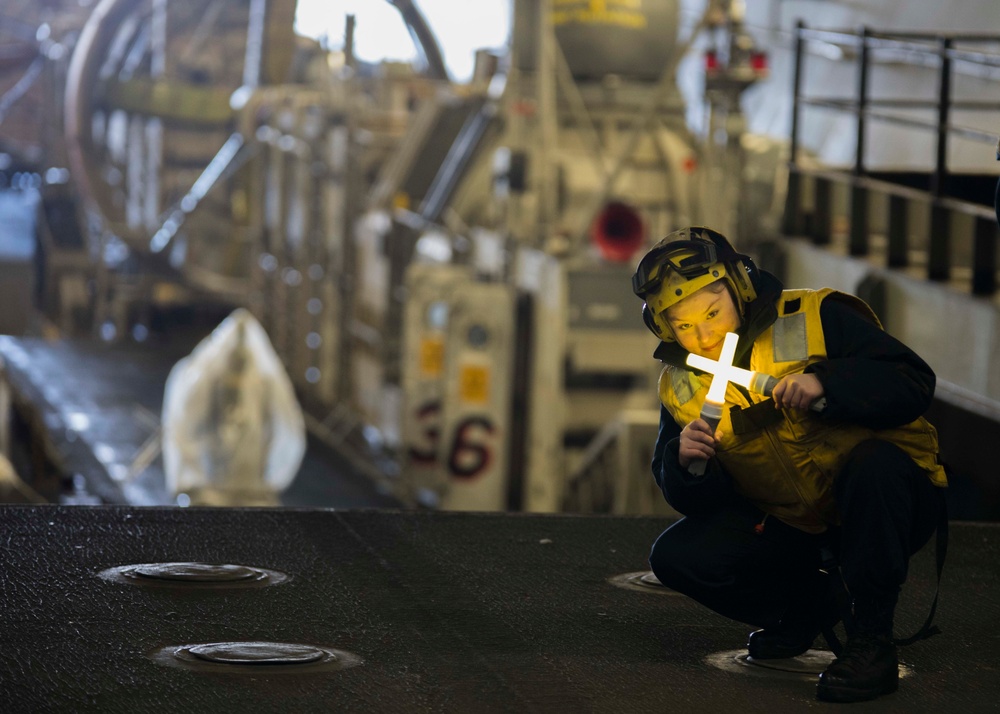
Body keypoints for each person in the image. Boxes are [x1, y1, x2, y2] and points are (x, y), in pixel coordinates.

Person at [631, 226, 947, 703]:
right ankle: (807, 611)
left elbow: (913, 380)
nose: (704, 335)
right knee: (677, 557)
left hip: (892, 503)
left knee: (874, 463)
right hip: (797, 526)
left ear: (738, 288)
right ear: (662, 327)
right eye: (683, 326)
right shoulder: (681, 385)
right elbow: (692, 499)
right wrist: (688, 464)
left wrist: (826, 384)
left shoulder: (817, 317)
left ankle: (871, 642)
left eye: (712, 312)